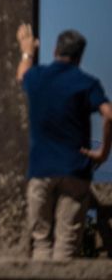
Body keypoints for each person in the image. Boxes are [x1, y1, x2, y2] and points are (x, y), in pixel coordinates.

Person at [16, 24, 112, 259]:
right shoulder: (87, 83)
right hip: (75, 169)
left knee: (40, 244)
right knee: (67, 247)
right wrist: (103, 152)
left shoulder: (38, 78)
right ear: (80, 57)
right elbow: (108, 114)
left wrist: (27, 50)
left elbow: (21, 74)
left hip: (41, 170)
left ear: (55, 50)